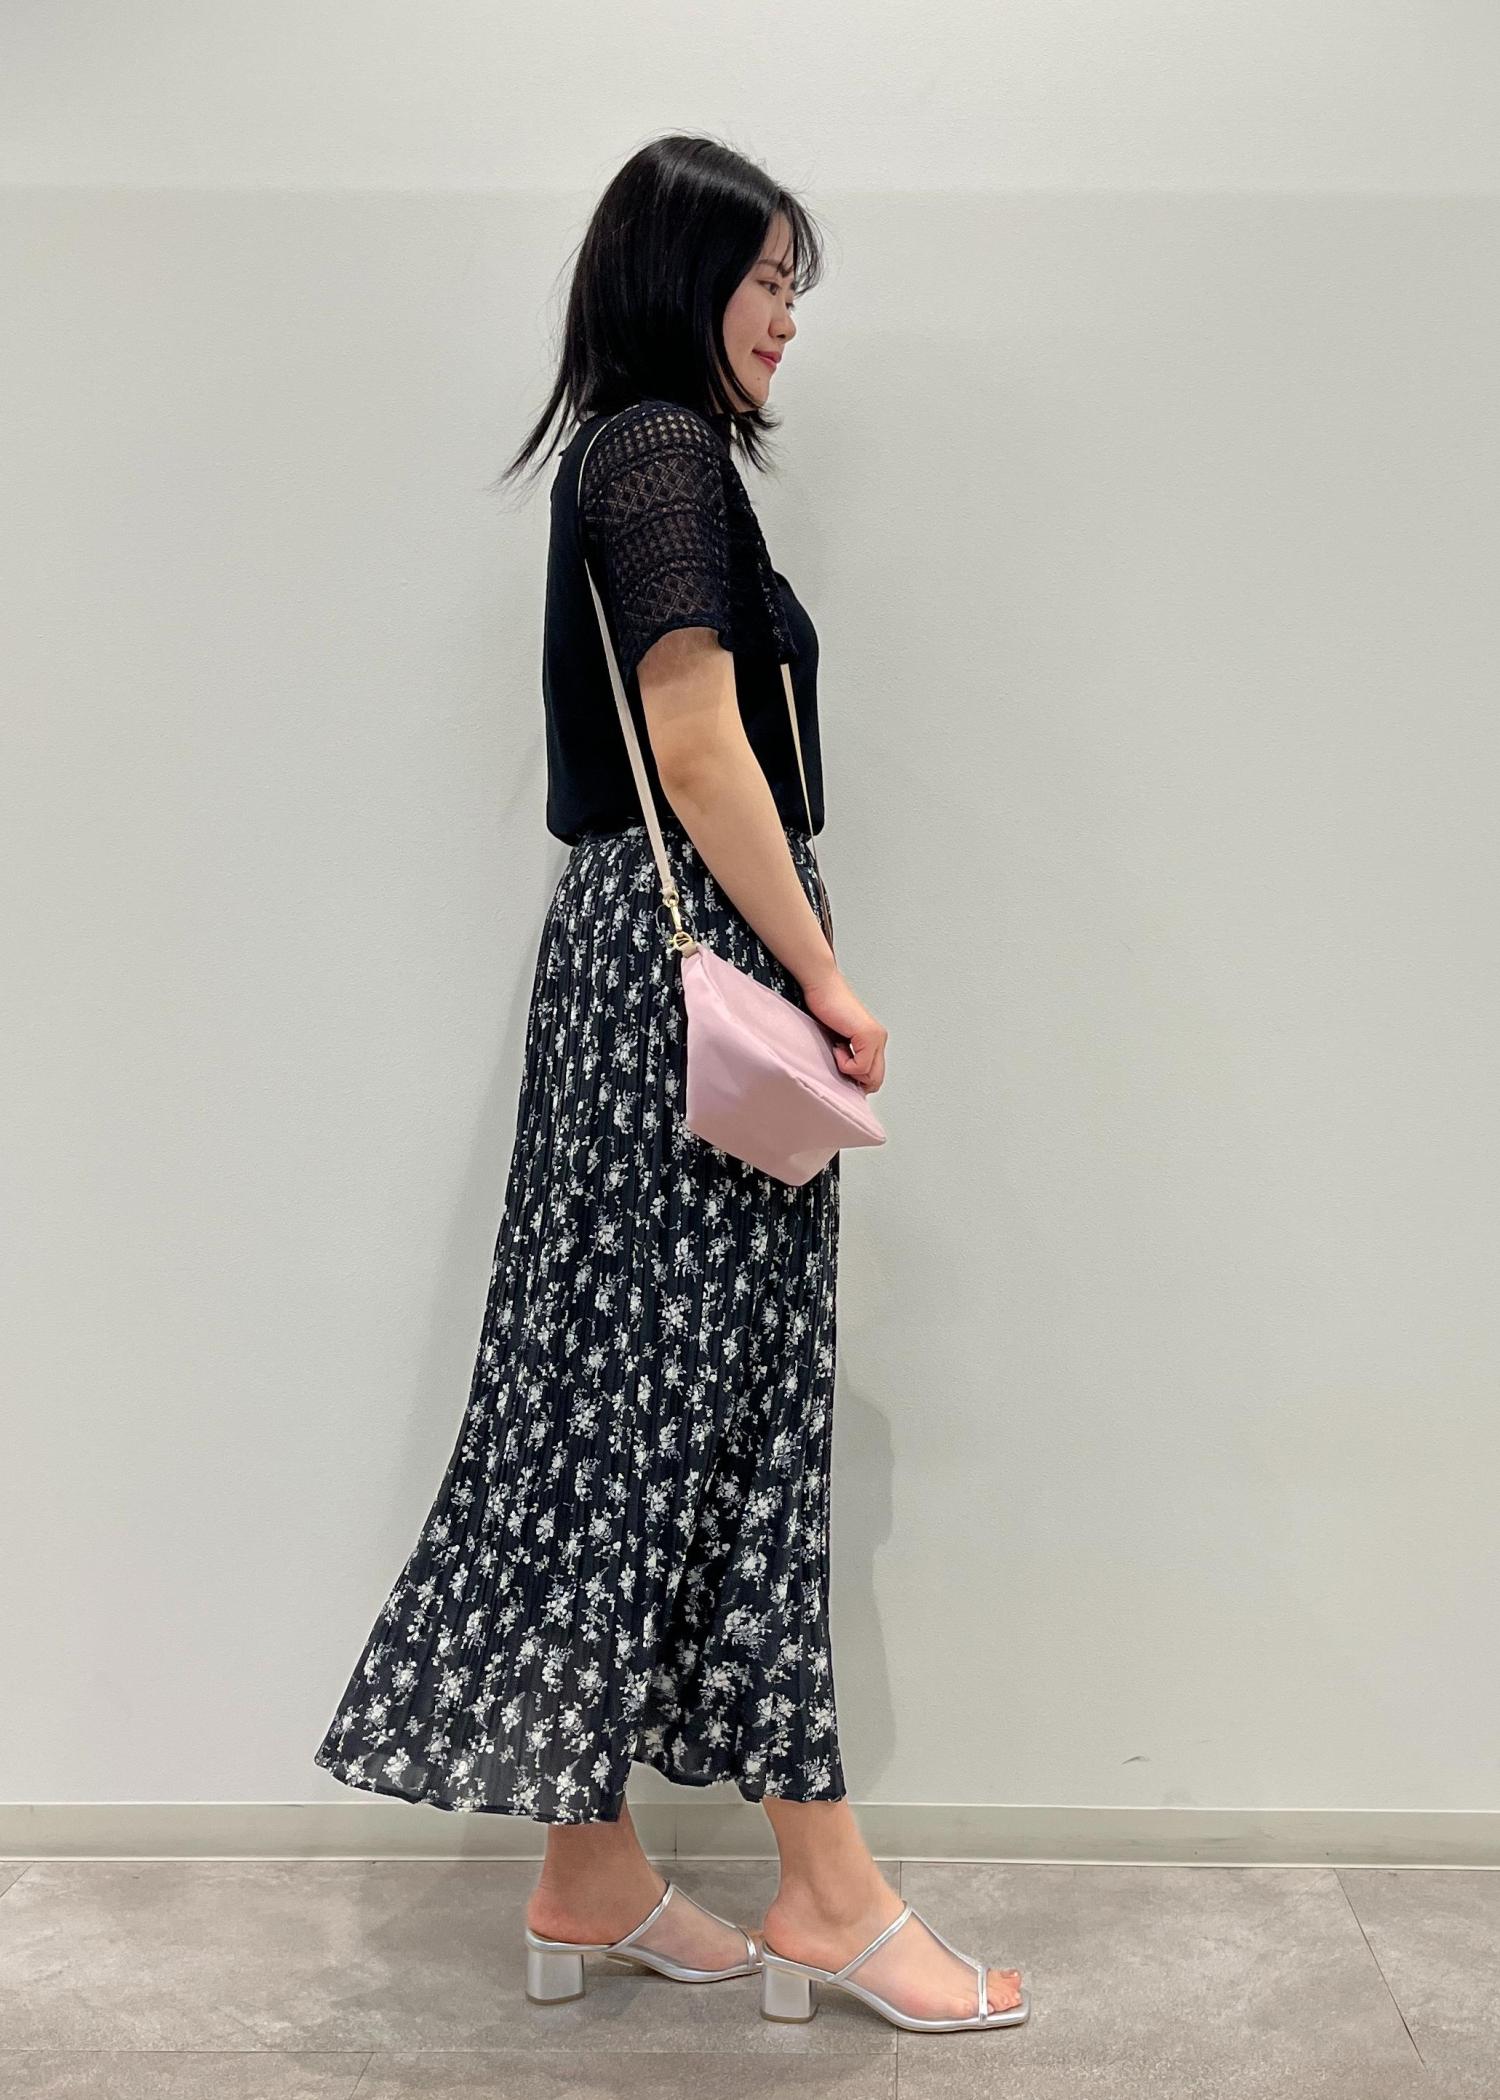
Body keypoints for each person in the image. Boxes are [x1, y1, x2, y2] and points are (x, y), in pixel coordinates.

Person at [312, 130, 1027, 2035]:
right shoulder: (662, 455)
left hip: (632, 977)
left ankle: (590, 1865)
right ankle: (827, 1891)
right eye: (767, 278)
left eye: (798, 284)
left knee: (629, 1401)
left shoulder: (625, 454)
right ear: (676, 276)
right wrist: (828, 977)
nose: (788, 317)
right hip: (691, 979)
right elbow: (697, 741)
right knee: (730, 1409)